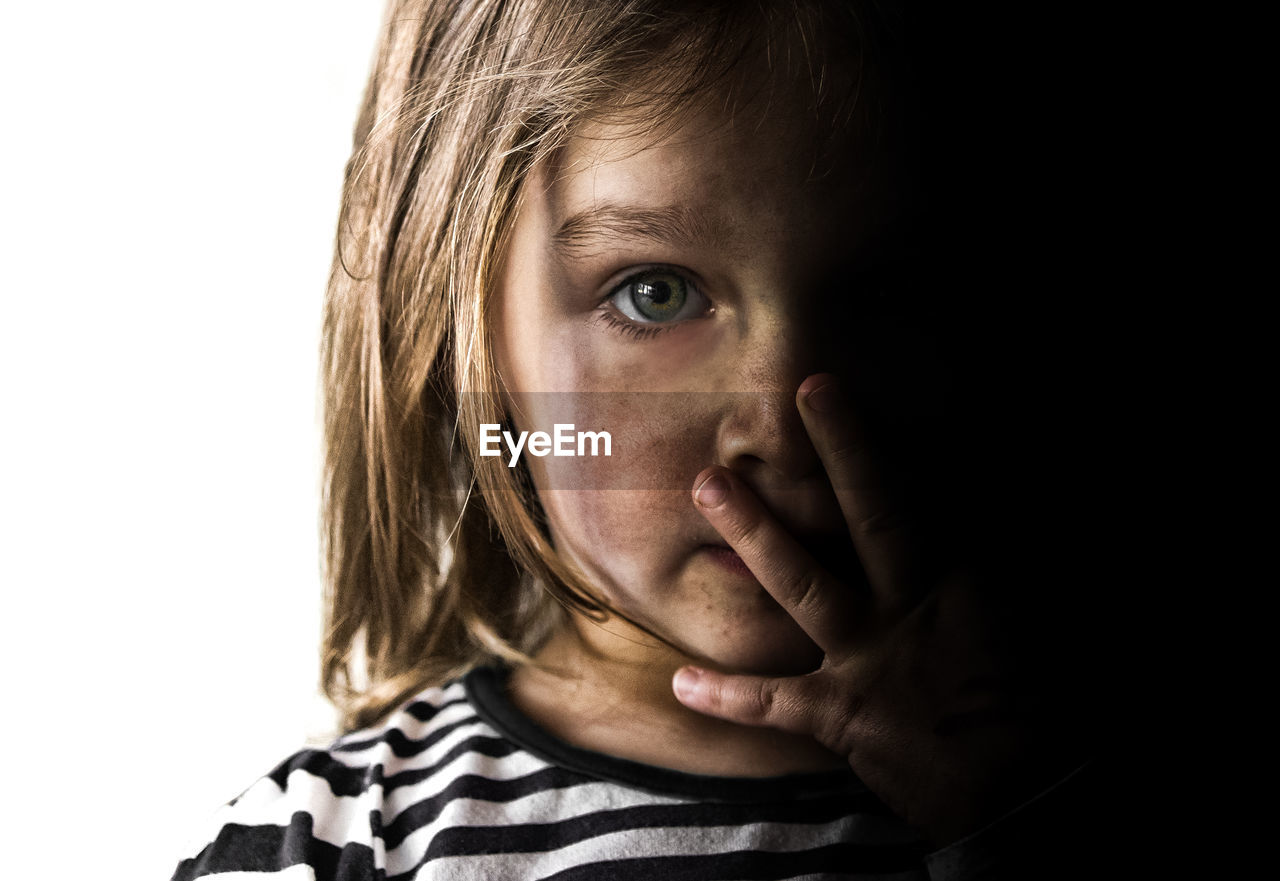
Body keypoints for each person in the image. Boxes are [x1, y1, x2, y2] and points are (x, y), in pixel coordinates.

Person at [172, 1, 1110, 878]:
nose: (780, 429)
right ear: (464, 327)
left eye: (891, 297)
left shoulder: (1054, 773)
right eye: (652, 293)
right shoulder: (335, 841)